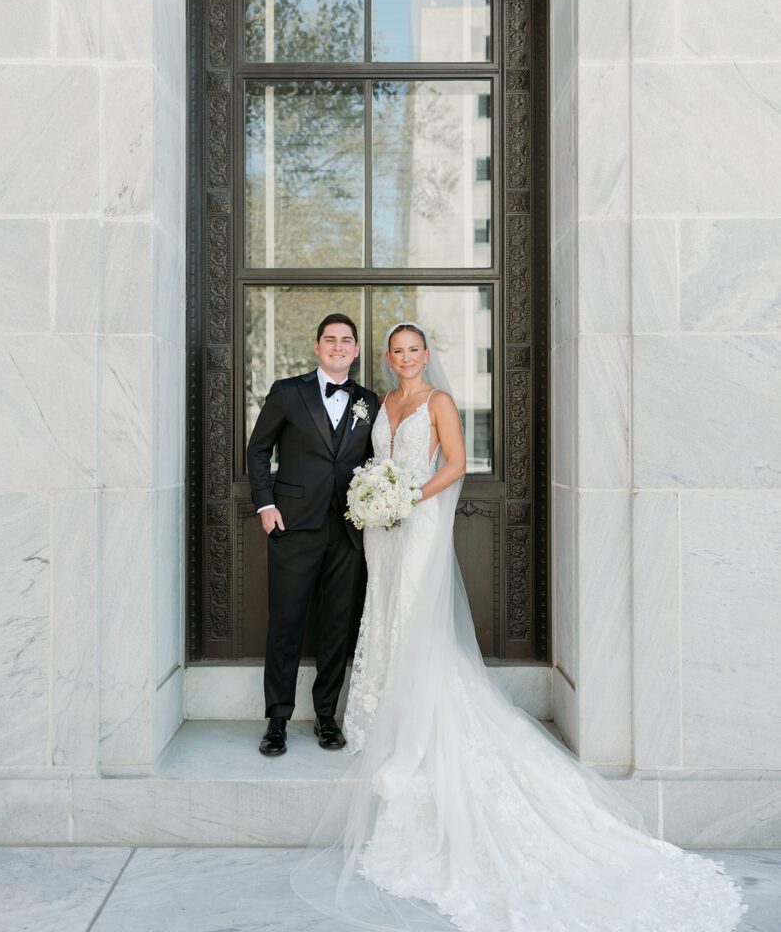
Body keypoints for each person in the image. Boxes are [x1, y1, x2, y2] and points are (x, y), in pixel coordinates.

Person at [290, 321, 748, 932]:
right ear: (388, 357)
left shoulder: (439, 402)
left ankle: (417, 716)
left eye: (413, 350)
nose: (404, 358)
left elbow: (455, 465)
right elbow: (374, 462)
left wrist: (409, 499)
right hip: (382, 531)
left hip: (418, 523)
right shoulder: (383, 402)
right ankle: (379, 710)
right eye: (396, 351)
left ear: (427, 354)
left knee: (412, 616)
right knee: (384, 606)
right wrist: (378, 499)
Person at [246, 314, 379, 757]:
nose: (338, 346)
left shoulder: (370, 402)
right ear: (318, 346)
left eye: (346, 341)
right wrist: (266, 505)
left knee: (337, 626)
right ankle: (277, 720)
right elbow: (259, 449)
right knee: (285, 623)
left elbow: (378, 460)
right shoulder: (288, 392)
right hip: (292, 525)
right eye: (330, 340)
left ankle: (327, 717)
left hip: (349, 531)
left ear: (356, 350)